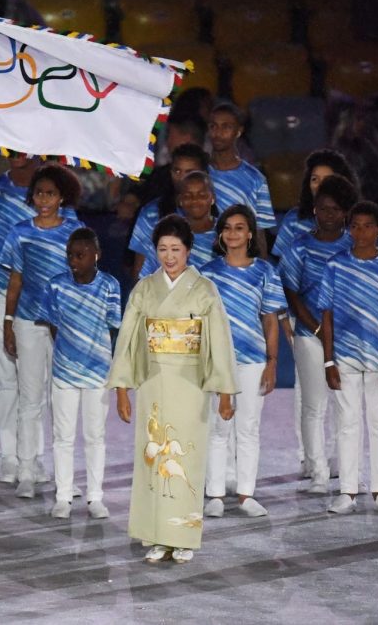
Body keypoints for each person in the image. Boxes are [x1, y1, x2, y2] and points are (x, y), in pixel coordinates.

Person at [108, 214, 238, 564]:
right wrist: (122, 388)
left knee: (186, 457)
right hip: (152, 380)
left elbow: (220, 342)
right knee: (152, 458)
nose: (169, 256)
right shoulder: (145, 288)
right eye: (163, 249)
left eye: (176, 249)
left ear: (189, 251)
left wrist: (225, 390)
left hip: (190, 381)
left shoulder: (205, 290)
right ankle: (156, 535)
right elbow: (128, 340)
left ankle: (182, 536)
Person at [0, 155, 77, 483]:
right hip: (3, 299)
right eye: (9, 149)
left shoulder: (60, 194)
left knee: (39, 384)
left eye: (21, 148)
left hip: (50, 306)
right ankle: (9, 456)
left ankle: (33, 457)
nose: (15, 155)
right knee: (6, 381)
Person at [0, 163, 84, 499]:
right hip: (28, 321)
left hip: (64, 325)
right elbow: (14, 280)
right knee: (30, 397)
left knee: (61, 398)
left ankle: (63, 473)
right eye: (38, 193)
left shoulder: (75, 232)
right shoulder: (20, 232)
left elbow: (82, 278)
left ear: (62, 196)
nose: (44, 199)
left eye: (50, 193)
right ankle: (26, 470)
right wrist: (7, 322)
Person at [271, 148, 356, 478]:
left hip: (343, 326)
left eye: (328, 180)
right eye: (315, 179)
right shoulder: (294, 221)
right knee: (307, 391)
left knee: (341, 393)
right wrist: (290, 318)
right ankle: (310, 458)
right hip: (303, 317)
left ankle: (338, 458)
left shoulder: (352, 230)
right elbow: (285, 273)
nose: (319, 186)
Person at [321, 201, 378, 515]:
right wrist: (329, 361)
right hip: (344, 357)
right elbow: (326, 316)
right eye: (355, 225)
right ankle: (347, 491)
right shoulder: (335, 265)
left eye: (368, 225)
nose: (360, 232)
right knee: (347, 423)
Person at [201, 205, 286, 518]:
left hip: (252, 361)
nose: (233, 233)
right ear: (221, 234)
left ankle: (246, 493)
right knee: (218, 426)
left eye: (239, 228)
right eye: (228, 228)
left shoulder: (265, 272)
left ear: (250, 233)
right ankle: (215, 494)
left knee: (248, 427)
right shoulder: (207, 273)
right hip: (217, 362)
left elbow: (270, 319)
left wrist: (272, 361)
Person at [40, 228, 121, 520]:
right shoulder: (56, 285)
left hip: (98, 373)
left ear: (96, 255)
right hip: (64, 373)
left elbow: (113, 327)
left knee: (95, 436)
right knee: (62, 437)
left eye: (81, 255)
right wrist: (69, 351)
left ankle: (95, 497)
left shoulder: (110, 286)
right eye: (70, 255)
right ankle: (63, 497)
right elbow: (52, 324)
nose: (74, 260)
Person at [127, 143, 210, 283]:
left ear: (204, 174)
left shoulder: (219, 219)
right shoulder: (151, 214)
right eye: (177, 171)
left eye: (190, 172)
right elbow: (140, 272)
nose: (183, 178)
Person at [207, 103, 275, 256]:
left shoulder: (255, 179)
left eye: (226, 127)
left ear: (239, 131)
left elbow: (259, 232)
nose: (218, 133)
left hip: (237, 266)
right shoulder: (199, 174)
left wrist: (261, 273)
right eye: (213, 126)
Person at [138, 171, 217, 277]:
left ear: (213, 198)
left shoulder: (226, 233)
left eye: (202, 195)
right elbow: (146, 281)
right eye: (188, 196)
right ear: (180, 200)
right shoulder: (166, 235)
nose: (195, 200)